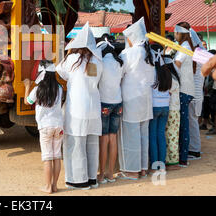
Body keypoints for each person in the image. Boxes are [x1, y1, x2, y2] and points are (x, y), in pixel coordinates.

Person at [56, 22, 102, 190]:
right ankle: (91, 178)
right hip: (94, 107)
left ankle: (78, 180)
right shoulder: (98, 60)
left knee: (75, 145)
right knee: (91, 144)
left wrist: (68, 52)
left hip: (77, 107)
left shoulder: (72, 59)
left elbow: (59, 72)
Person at [118, 17, 155, 180]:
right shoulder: (150, 53)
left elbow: (120, 73)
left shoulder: (128, 53)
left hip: (131, 99)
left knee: (131, 136)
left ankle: (131, 171)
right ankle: (143, 169)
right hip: (146, 99)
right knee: (143, 135)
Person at [23, 61, 64, 194]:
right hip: (59, 126)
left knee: (47, 158)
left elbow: (27, 101)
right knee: (57, 156)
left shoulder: (38, 89)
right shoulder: (59, 88)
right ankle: (54, 185)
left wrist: (27, 86)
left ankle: (47, 187)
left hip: (45, 127)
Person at [96, 38, 124, 184]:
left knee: (103, 138)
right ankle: (111, 173)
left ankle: (101, 174)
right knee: (113, 137)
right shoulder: (119, 63)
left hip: (104, 103)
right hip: (118, 102)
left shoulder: (100, 64)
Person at [173, 22, 195, 168]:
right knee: (184, 123)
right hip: (187, 89)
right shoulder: (187, 46)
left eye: (175, 33)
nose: (174, 35)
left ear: (180, 33)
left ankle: (183, 158)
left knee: (183, 125)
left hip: (184, 90)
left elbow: (176, 64)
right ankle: (183, 156)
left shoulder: (184, 47)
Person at [148, 44, 172, 174]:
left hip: (154, 106)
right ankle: (161, 165)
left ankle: (154, 165)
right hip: (165, 106)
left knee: (152, 136)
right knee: (161, 135)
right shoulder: (166, 69)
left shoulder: (151, 69)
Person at [188, 28, 205, 160]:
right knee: (194, 121)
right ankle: (195, 147)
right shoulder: (202, 53)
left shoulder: (195, 54)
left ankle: (194, 150)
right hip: (198, 92)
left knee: (192, 122)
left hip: (193, 93)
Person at [164, 55, 181, 170]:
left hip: (171, 109)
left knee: (170, 136)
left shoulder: (170, 78)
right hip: (175, 110)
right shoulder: (175, 77)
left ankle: (172, 161)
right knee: (173, 135)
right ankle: (173, 160)